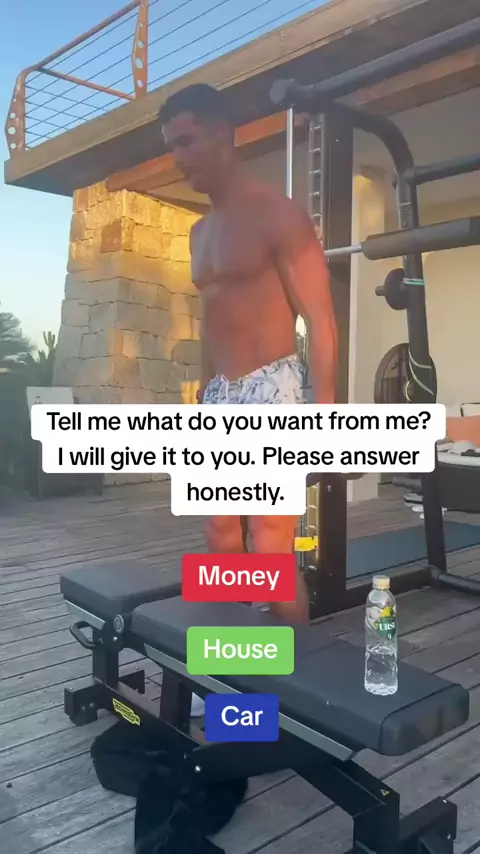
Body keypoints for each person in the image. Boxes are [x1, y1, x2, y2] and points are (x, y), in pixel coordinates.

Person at [159, 83, 337, 650]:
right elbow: (211, 321)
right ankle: (236, 667)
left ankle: (294, 679)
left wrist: (325, 417)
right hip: (220, 395)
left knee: (271, 545)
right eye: (171, 146)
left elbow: (322, 322)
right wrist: (200, 399)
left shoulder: (277, 214)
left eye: (186, 141)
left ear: (222, 133)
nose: (177, 157)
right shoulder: (199, 231)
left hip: (272, 388)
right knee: (219, 533)